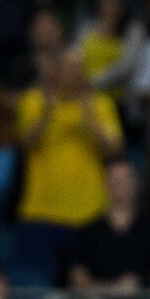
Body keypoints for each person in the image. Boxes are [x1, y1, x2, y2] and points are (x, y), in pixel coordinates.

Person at [15, 52, 124, 286]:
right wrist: (47, 109)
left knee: (84, 292)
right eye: (67, 68)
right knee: (35, 289)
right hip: (40, 213)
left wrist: (89, 115)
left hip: (88, 214)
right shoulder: (33, 100)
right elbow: (26, 143)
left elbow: (115, 149)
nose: (72, 74)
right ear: (56, 72)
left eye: (78, 68)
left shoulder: (101, 104)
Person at [63, 160, 150, 299]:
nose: (119, 184)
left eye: (125, 179)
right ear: (105, 184)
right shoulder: (88, 232)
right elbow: (78, 284)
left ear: (137, 184)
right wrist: (115, 289)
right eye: (114, 179)